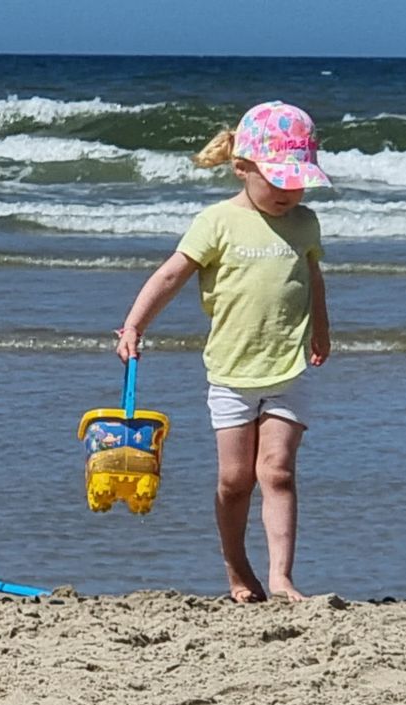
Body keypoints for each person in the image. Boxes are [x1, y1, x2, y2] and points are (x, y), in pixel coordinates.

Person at [115, 100, 332, 603]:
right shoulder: (216, 222)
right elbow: (171, 275)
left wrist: (322, 329)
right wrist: (133, 326)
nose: (288, 191)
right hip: (232, 374)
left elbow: (312, 279)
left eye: (297, 181)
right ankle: (237, 568)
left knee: (276, 471)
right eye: (277, 179)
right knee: (235, 481)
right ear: (242, 167)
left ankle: (281, 577)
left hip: (287, 367)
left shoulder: (305, 223)